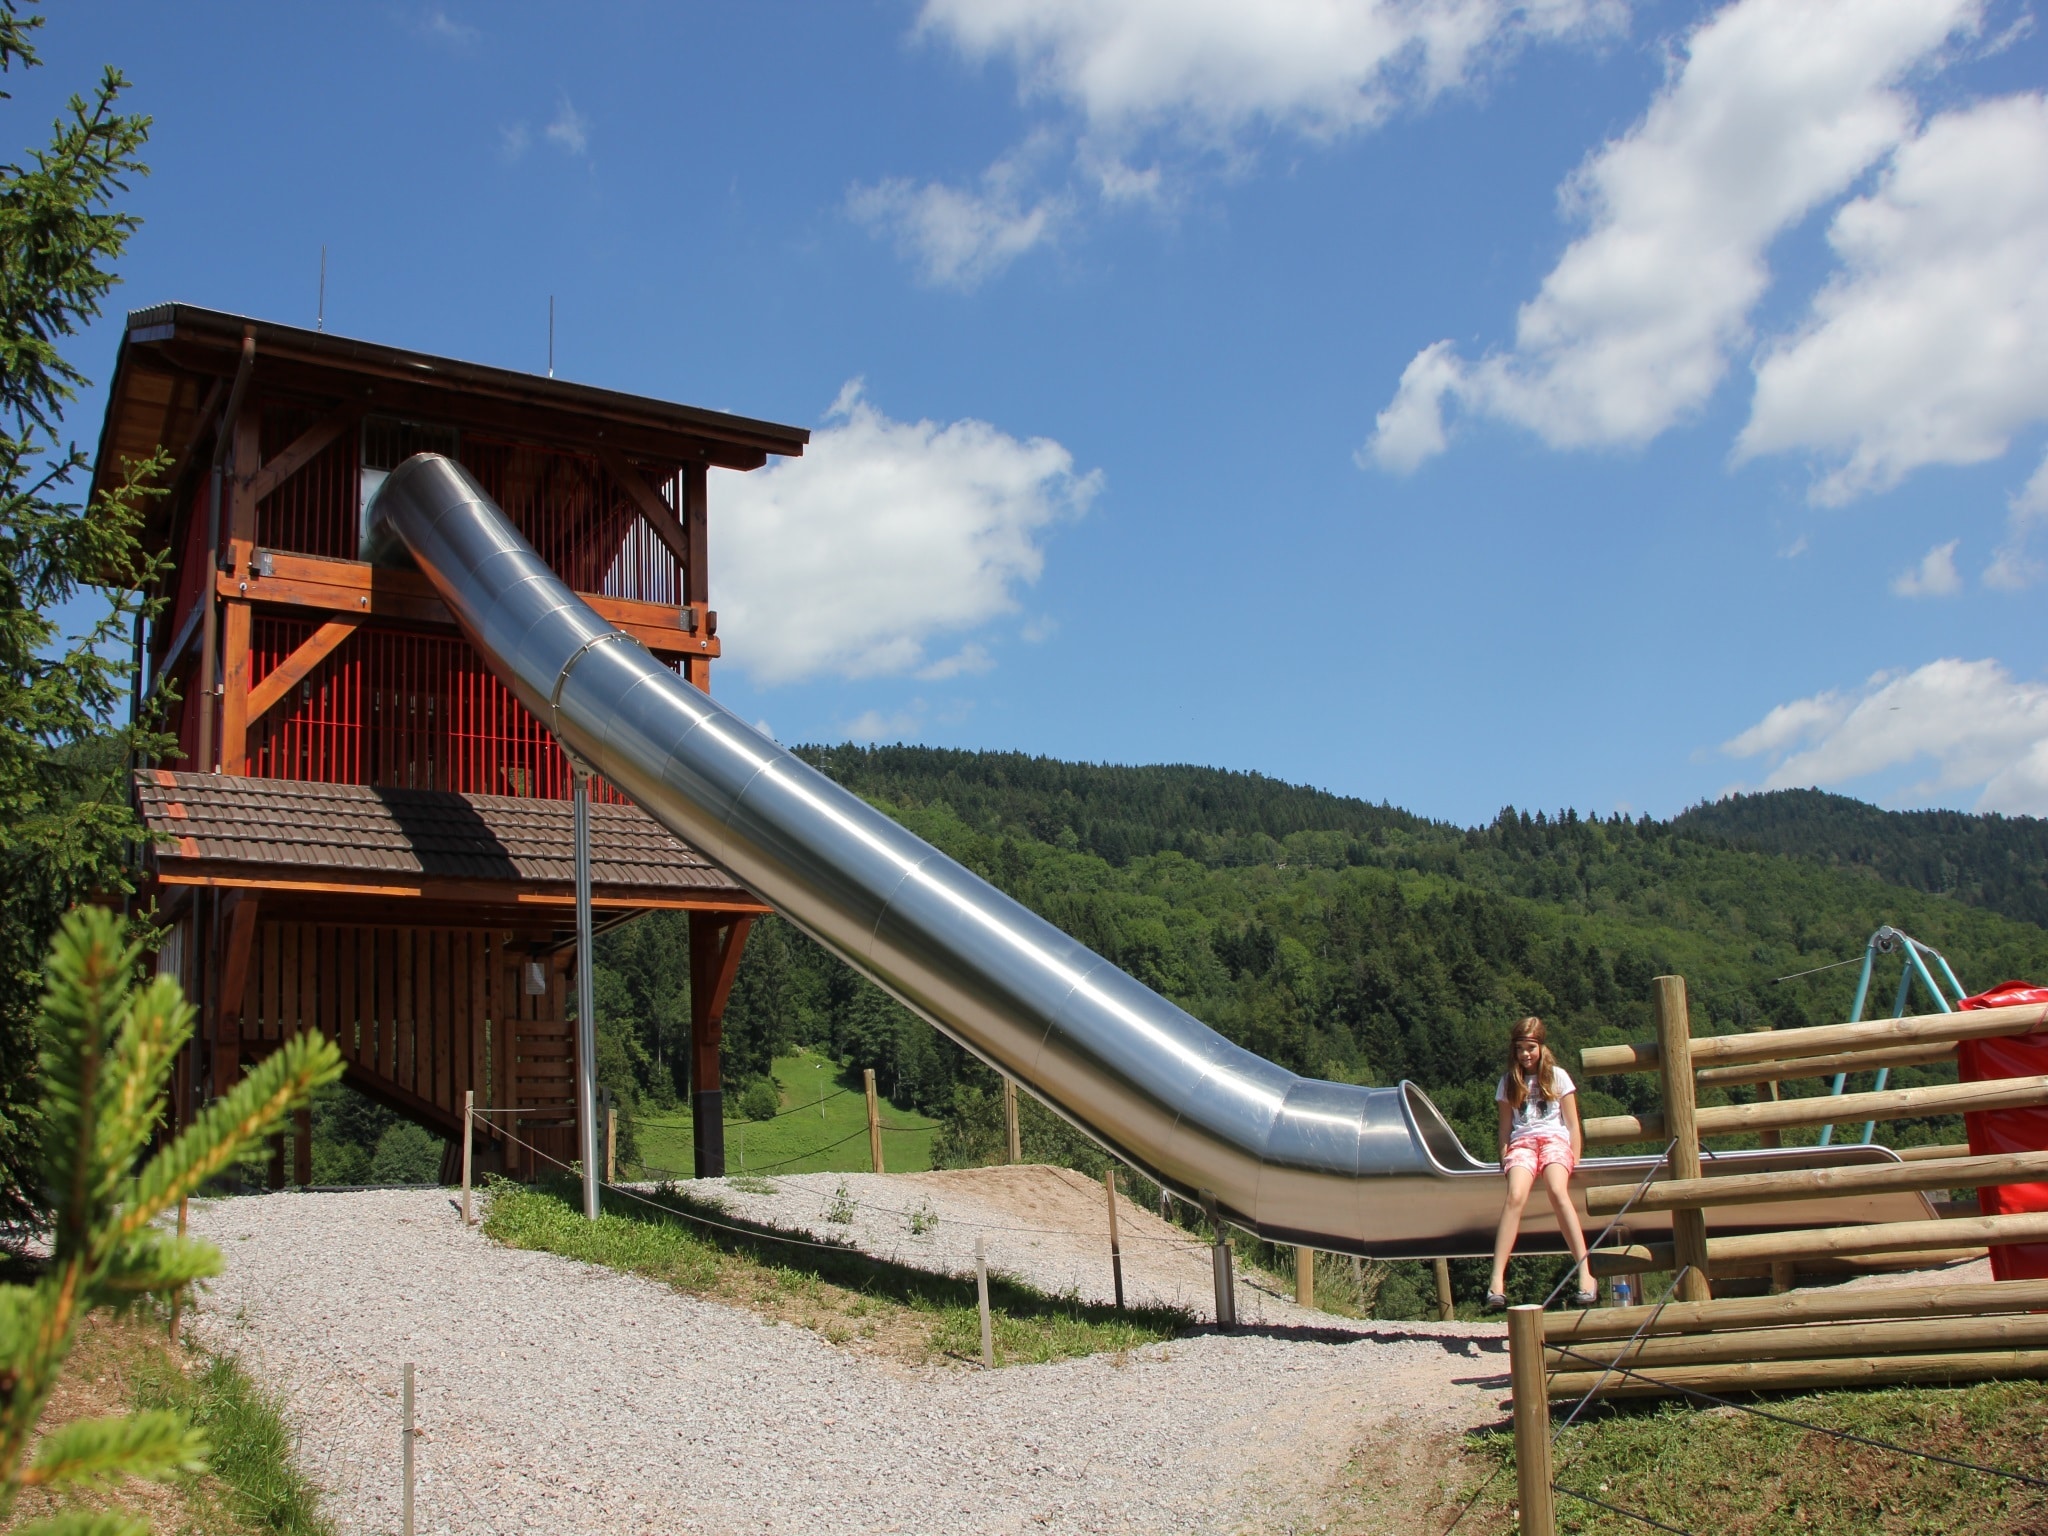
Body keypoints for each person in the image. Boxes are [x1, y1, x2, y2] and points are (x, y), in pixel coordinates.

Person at [1485, 1016, 1595, 1309]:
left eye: (1530, 1048)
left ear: (1541, 1047)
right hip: (1523, 1143)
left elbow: (1572, 1123)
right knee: (1515, 1196)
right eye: (1520, 1048)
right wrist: (1504, 1155)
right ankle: (1497, 1279)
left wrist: (1574, 1156)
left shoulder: (1557, 1076)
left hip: (1554, 1141)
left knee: (1558, 1192)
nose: (1525, 1054)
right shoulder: (1509, 1082)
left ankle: (1585, 1272)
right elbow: (1506, 1126)